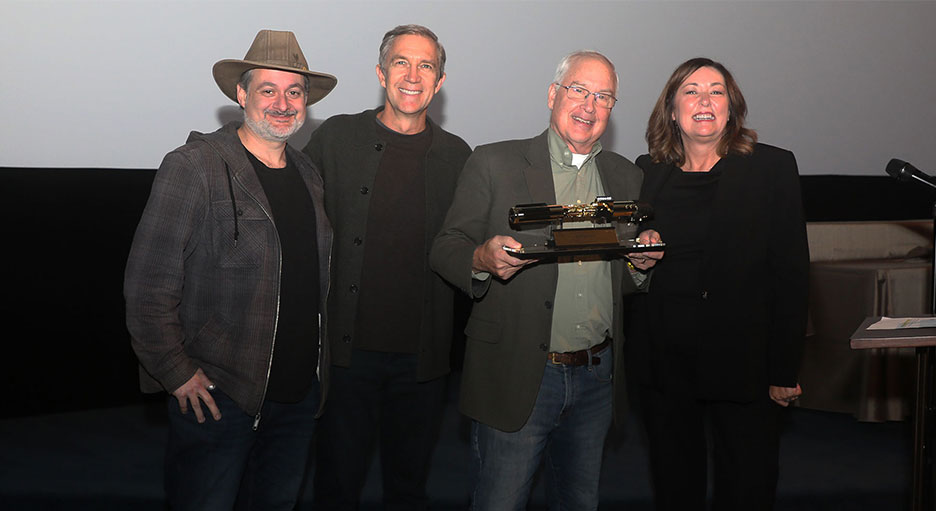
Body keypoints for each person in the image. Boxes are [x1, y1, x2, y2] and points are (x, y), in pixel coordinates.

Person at [430, 50, 662, 510]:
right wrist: (482, 257)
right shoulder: (494, 162)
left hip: (596, 378)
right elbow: (446, 246)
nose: (589, 106)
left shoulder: (627, 177)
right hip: (517, 372)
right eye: (579, 90)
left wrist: (640, 262)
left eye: (603, 97)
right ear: (554, 94)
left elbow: (617, 276)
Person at [124, 30, 336, 510]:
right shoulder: (194, 167)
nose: (282, 103)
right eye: (268, 90)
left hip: (297, 399)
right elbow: (147, 286)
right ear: (242, 95)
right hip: (220, 398)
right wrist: (176, 372)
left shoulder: (309, 175)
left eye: (294, 92)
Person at [626, 57, 808, 510]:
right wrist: (640, 252)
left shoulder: (772, 167)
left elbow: (792, 274)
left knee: (747, 487)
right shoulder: (646, 171)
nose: (704, 100)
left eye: (716, 91)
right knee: (675, 488)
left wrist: (784, 371)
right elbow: (634, 257)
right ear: (672, 110)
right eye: (690, 91)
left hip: (745, 364)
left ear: (732, 108)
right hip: (664, 363)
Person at [301, 24, 471, 510]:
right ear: (381, 73)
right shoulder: (336, 138)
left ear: (439, 81)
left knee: (408, 487)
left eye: (426, 66)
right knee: (336, 485)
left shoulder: (458, 157)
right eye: (401, 62)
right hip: (346, 355)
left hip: (422, 360)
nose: (413, 75)